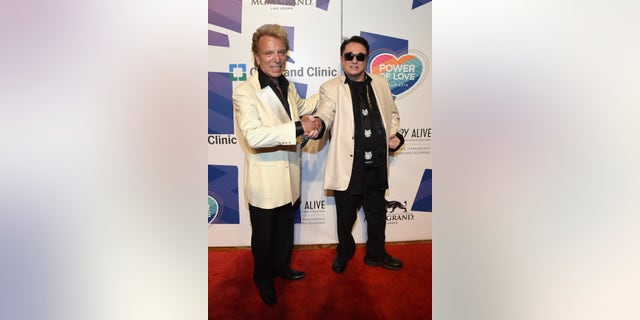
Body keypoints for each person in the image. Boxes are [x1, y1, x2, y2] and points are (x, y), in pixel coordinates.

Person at [232, 24, 320, 305]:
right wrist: (298, 127)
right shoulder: (245, 92)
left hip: (290, 175)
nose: (276, 58)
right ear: (256, 57)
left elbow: (303, 108)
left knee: (284, 232)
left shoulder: (288, 85)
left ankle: (282, 267)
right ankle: (263, 279)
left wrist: (330, 92)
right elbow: (254, 136)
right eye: (269, 52)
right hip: (266, 181)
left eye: (281, 52)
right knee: (264, 238)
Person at [313, 35, 405, 274]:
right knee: (345, 218)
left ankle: (376, 254)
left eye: (360, 56)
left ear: (366, 59)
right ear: (342, 59)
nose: (354, 60)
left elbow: (392, 115)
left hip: (376, 165)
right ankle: (344, 253)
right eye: (349, 56)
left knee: (377, 214)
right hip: (348, 167)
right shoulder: (330, 88)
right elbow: (326, 113)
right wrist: (318, 126)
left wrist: (395, 136)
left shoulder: (381, 84)